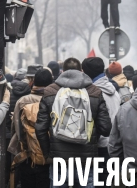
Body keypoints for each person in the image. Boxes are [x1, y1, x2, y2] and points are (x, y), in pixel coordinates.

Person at [35, 59, 112, 187]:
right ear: (81, 71)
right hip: (86, 161)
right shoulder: (95, 92)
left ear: (63, 71)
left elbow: (40, 128)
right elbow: (106, 128)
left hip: (58, 159)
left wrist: (48, 153)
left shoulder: (50, 92)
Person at [8, 69, 53, 188]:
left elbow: (15, 128)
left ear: (33, 82)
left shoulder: (23, 101)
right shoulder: (54, 101)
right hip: (49, 156)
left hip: (27, 155)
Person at [83, 57, 120, 160]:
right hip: (115, 143)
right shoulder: (114, 90)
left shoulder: (93, 94)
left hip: (100, 145)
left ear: (86, 73)